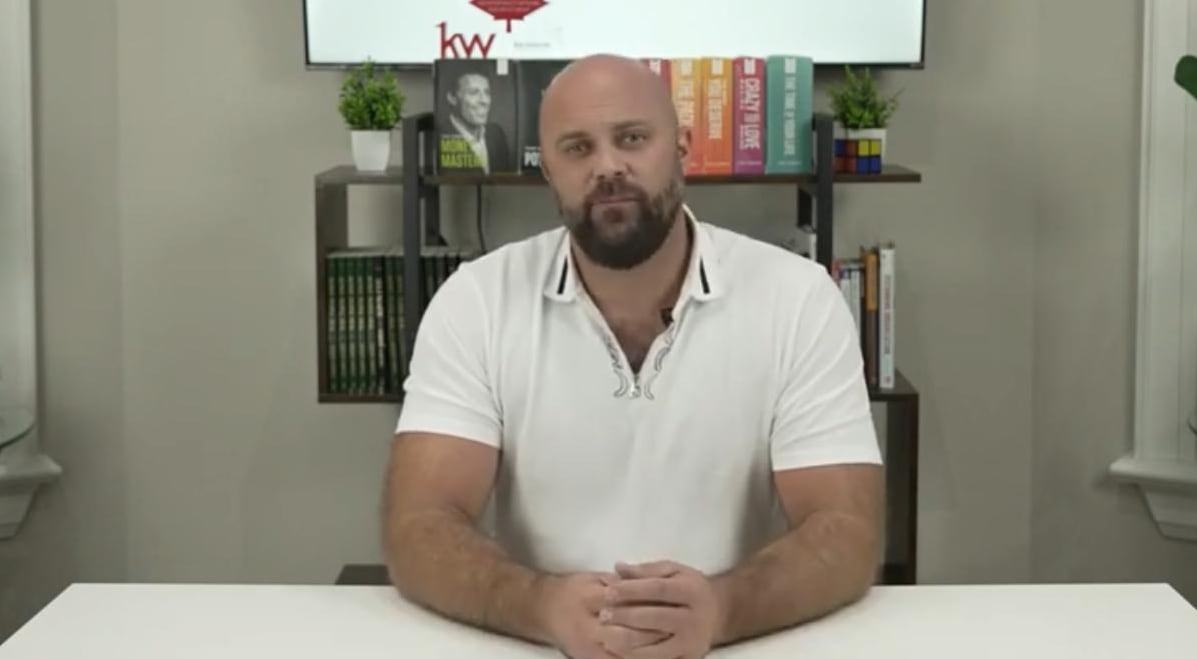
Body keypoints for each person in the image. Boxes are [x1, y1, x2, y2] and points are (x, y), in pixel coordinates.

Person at [385, 54, 884, 659]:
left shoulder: (798, 298)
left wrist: (724, 609)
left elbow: (847, 531)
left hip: (735, 642)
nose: (608, 167)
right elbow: (419, 526)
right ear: (549, 174)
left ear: (684, 150)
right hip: (537, 644)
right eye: (577, 148)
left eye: (632, 138)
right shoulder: (477, 301)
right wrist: (538, 606)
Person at [442, 70, 511, 174]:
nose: (484, 101)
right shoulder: (440, 137)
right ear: (452, 98)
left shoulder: (496, 134)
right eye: (474, 92)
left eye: (487, 93)